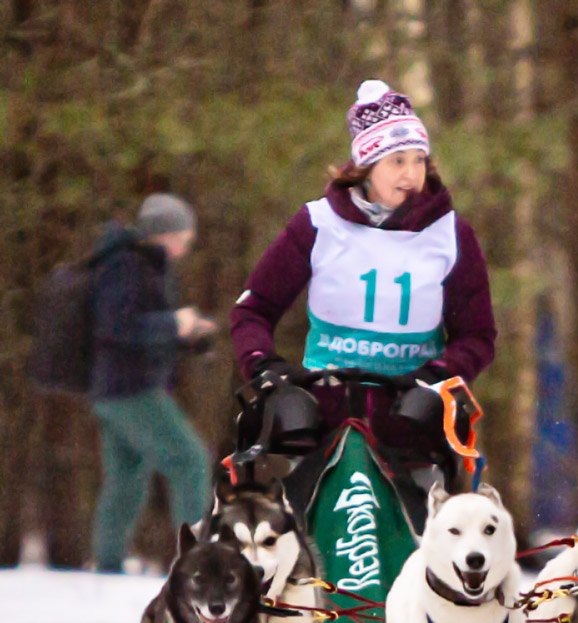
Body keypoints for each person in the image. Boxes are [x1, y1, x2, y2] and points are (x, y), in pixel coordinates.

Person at [229, 79, 497, 462]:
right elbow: (252, 309)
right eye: (397, 161)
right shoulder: (317, 224)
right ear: (367, 168)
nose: (411, 174)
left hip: (413, 417)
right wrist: (266, 370)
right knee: (259, 504)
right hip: (325, 415)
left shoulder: (451, 234)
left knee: (466, 516)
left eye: (419, 159)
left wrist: (437, 375)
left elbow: (477, 335)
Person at [89, 193, 217, 573]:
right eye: (183, 237)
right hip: (130, 390)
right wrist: (172, 323)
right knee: (191, 462)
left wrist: (186, 332)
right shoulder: (126, 264)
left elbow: (139, 325)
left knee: (126, 481)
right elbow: (114, 326)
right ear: (164, 233)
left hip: (118, 390)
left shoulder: (144, 264)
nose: (185, 246)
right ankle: (196, 562)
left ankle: (108, 566)